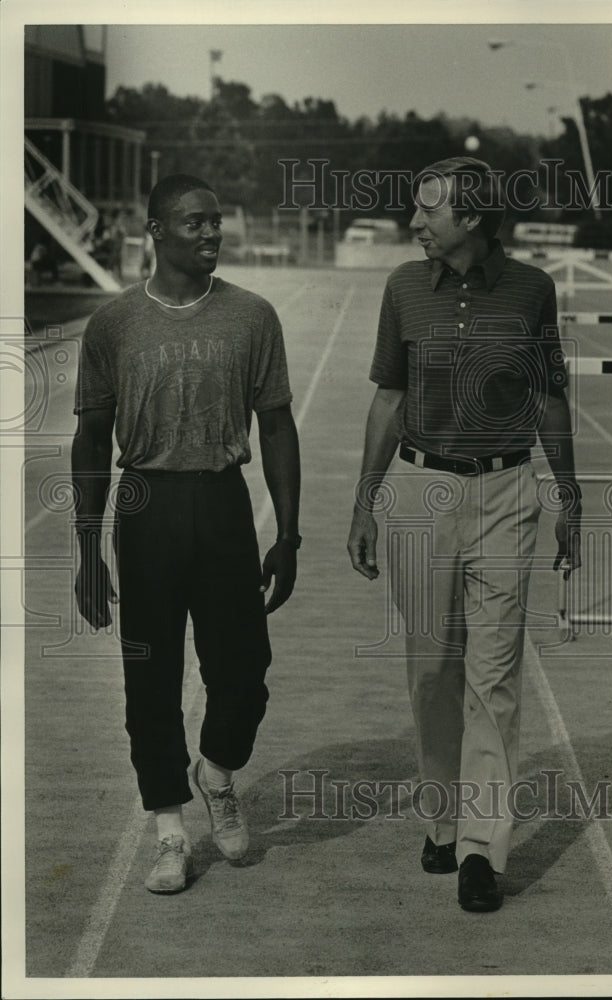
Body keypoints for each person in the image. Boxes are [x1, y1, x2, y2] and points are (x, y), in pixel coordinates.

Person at [347, 156, 581, 912]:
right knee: (429, 672)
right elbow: (388, 398)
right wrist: (364, 502)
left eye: (426, 212)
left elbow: (547, 401)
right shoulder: (403, 289)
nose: (413, 223)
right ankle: (440, 822)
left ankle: (482, 848)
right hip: (422, 491)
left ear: (471, 218)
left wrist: (568, 495)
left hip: (507, 492)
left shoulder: (531, 292)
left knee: (493, 678)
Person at [72, 174, 301, 894]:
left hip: (222, 503)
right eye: (195, 223)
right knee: (151, 677)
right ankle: (169, 832)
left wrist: (287, 533)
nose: (211, 234)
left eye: (216, 223)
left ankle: (218, 771)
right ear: (157, 231)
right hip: (147, 509)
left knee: (242, 674)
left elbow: (276, 425)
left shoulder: (253, 316)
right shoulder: (113, 324)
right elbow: (89, 438)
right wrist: (86, 550)